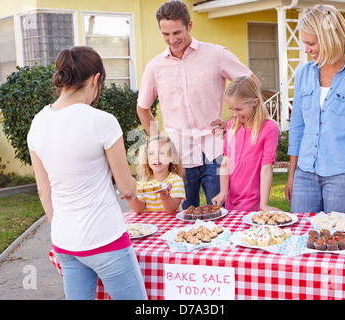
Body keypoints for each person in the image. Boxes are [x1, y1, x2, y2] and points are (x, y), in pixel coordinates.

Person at [27, 46, 147, 300]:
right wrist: (136, 187)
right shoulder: (101, 121)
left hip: (64, 242)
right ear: (96, 79)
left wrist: (60, 225)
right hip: (105, 240)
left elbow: (43, 188)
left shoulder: (37, 123)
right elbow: (126, 187)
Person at [137, 0, 261, 209]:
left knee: (223, 214)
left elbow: (253, 85)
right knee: (183, 219)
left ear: (190, 26)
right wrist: (159, 142)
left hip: (216, 150)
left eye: (177, 32)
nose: (172, 40)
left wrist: (233, 123)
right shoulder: (154, 67)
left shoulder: (216, 54)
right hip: (179, 155)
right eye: (166, 34)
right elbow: (143, 108)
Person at [284, 5, 345, 217]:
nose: (306, 50)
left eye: (311, 43)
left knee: (338, 240)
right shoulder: (303, 74)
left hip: (342, 176)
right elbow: (297, 127)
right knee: (302, 238)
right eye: (304, 43)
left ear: (329, 40)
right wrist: (292, 176)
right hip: (305, 174)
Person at [211, 76, 280, 211]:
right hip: (231, 199)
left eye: (238, 109)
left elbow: (266, 168)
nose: (234, 114)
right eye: (231, 109)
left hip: (253, 201)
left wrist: (264, 205)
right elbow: (226, 161)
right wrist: (223, 192)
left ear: (255, 102)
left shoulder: (269, 128)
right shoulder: (232, 125)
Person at [128, 135, 186, 214]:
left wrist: (165, 195)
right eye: (151, 154)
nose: (156, 157)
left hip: (172, 224)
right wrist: (132, 197)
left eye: (162, 153)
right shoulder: (143, 182)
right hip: (150, 224)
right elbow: (139, 209)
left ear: (172, 157)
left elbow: (171, 210)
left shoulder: (176, 181)